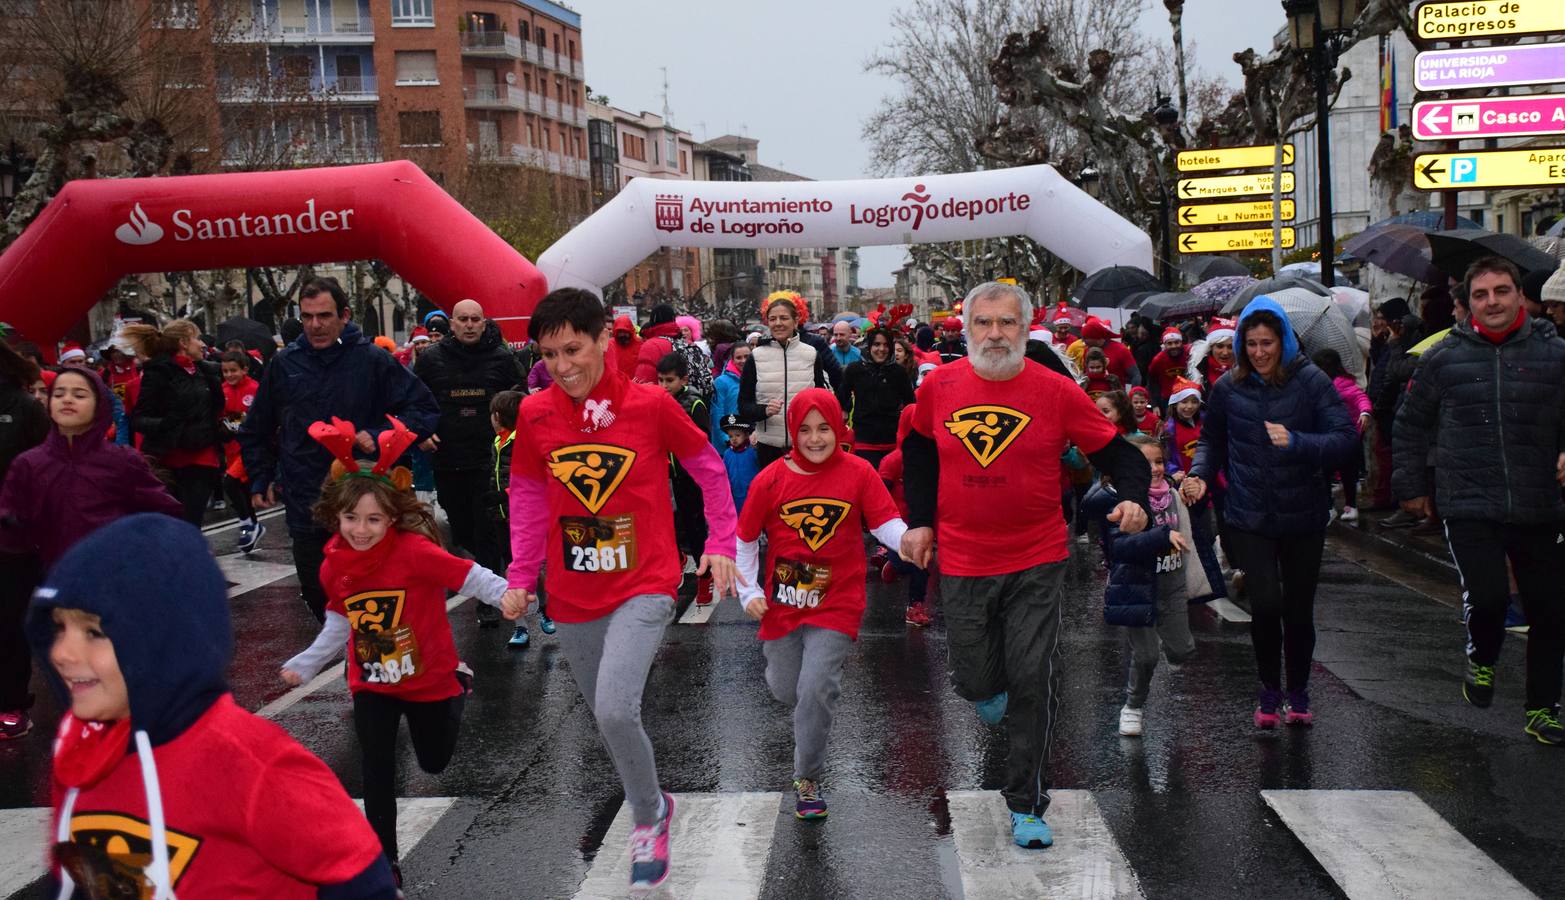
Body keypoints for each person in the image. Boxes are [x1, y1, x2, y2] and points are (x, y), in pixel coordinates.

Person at [498, 288, 739, 891]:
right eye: (549, 354)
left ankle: (649, 817)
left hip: (647, 581)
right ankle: (654, 798)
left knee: (613, 706)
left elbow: (707, 468)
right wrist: (522, 576)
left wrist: (722, 544)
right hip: (573, 590)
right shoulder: (534, 414)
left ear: (605, 339)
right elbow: (526, 495)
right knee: (604, 718)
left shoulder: (651, 405)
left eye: (573, 349)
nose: (562, 365)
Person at [900, 281, 1150, 850]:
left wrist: (1132, 497)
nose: (994, 334)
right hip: (962, 557)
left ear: (1024, 329)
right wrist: (919, 519)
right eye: (983, 323)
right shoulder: (939, 388)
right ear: (966, 331)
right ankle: (992, 697)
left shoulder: (1054, 391)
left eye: (1006, 323)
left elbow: (1118, 451)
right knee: (974, 680)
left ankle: (1026, 803)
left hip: (1037, 557)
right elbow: (917, 448)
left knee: (1032, 678)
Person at [30, 514, 397, 898]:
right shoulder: (78, 745)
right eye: (57, 628)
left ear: (167, 638)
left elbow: (360, 877)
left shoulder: (250, 760)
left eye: (93, 632)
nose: (63, 653)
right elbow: (74, 877)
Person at [280, 418, 507, 885]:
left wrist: (508, 595)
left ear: (392, 518)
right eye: (351, 519)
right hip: (371, 680)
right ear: (334, 515)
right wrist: (306, 663)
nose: (360, 531)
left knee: (433, 762)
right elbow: (340, 623)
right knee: (376, 768)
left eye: (373, 520)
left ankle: (459, 687)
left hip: (428, 680)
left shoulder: (414, 552)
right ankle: (387, 865)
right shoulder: (333, 567)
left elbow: (469, 575)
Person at [1393, 257, 1565, 746]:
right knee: (1489, 597)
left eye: (1502, 291)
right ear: (1468, 303)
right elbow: (1409, 424)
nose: (1493, 302)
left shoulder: (1555, 355)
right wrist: (1411, 488)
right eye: (1482, 294)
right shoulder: (1444, 358)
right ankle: (1483, 656)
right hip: (1468, 501)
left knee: (1550, 612)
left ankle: (1541, 710)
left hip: (1541, 503)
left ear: (1518, 297)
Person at [735, 388, 911, 819]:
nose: (816, 439)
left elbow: (885, 521)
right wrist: (749, 593)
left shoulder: (858, 473)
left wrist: (908, 540)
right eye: (807, 430)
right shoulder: (770, 479)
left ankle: (807, 777)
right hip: (784, 603)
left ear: (838, 429)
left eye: (825, 429)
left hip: (839, 599)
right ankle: (808, 705)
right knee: (786, 687)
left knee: (815, 688)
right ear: (793, 432)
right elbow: (743, 540)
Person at [1184, 296, 1355, 729]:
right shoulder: (1228, 387)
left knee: (1298, 609)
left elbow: (1344, 439)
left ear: (1284, 344)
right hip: (1247, 513)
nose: (1259, 353)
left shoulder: (1312, 381)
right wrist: (1201, 475)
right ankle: (1268, 689)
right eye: (1251, 344)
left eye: (1267, 343)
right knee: (1266, 603)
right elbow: (1211, 442)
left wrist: (1297, 441)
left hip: (1303, 514)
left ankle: (1297, 690)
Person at [239, 277, 440, 623]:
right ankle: (350, 646)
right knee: (318, 590)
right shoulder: (285, 364)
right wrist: (260, 478)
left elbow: (424, 410)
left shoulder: (373, 360)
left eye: (324, 316)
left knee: (372, 598)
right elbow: (256, 428)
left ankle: (363, 662)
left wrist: (376, 436)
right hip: (307, 498)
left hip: (365, 498)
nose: (315, 325)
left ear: (344, 315)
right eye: (307, 317)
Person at [413, 299, 526, 629]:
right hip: (448, 456)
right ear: (452, 324)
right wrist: (421, 431)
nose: (469, 325)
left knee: (485, 524)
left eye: (476, 319)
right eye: (463, 319)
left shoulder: (501, 357)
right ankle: (495, 562)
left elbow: (521, 398)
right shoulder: (432, 359)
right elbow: (413, 398)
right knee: (460, 529)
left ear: (483, 321)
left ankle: (489, 598)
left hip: (487, 459)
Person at [1084, 432, 1206, 737]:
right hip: (1136, 588)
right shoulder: (1119, 502)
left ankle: (1167, 644)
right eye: (1145, 463)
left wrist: (1194, 490)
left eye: (1159, 461)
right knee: (1147, 655)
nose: (1155, 468)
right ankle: (1133, 706)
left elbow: (1195, 529)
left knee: (1183, 651)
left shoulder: (1174, 496)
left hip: (1173, 585)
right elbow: (1121, 548)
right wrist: (1162, 536)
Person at [0, 367, 181, 571]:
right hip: (58, 581)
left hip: (118, 578)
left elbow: (164, 512)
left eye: (79, 395)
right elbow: (12, 529)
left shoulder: (122, 460)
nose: (67, 400)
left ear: (99, 405)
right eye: (58, 394)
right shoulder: (28, 464)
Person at [118, 319, 225, 526]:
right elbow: (138, 419)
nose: (202, 344)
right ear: (184, 343)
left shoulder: (206, 371)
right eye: (197, 338)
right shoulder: (158, 373)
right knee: (175, 522)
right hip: (170, 460)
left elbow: (215, 410)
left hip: (203, 458)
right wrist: (167, 424)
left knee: (191, 521)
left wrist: (225, 427)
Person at [0, 339, 48, 741]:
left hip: (13, 536)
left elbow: (43, 465)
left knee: (10, 621)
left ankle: (11, 703)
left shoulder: (23, 407)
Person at [740, 291, 844, 469]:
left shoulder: (811, 354)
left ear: (796, 321)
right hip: (768, 447)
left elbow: (821, 398)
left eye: (783, 318)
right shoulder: (755, 357)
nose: (778, 323)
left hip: (806, 444)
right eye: (772, 319)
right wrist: (763, 410)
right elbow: (743, 405)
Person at [658, 352, 715, 605]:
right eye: (660, 380)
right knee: (664, 526)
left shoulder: (694, 404)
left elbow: (702, 443)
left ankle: (706, 577)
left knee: (695, 529)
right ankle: (678, 559)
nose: (664, 386)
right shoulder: (658, 402)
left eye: (669, 380)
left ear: (684, 379)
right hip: (664, 475)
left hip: (690, 477)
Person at [878, 404, 933, 626]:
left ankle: (915, 605)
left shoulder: (933, 458)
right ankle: (892, 564)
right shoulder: (894, 459)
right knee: (902, 561)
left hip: (922, 522)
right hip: (897, 526)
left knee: (921, 564)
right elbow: (880, 491)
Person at [839, 326, 916, 472]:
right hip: (863, 440)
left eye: (886, 345)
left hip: (892, 441)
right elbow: (842, 396)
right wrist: (844, 411)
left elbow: (910, 404)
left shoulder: (899, 372)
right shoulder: (855, 369)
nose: (881, 349)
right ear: (869, 346)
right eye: (877, 344)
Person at [1312, 348, 1372, 523]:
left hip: (1344, 437)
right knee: (1333, 474)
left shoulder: (1342, 385)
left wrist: (1365, 412)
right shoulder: (1323, 384)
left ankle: (1343, 507)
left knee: (1343, 474)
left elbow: (1361, 398)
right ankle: (1337, 507)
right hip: (1335, 437)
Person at [218, 351, 264, 553]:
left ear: (244, 369)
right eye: (225, 371)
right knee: (241, 489)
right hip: (231, 448)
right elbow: (221, 418)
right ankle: (253, 527)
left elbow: (263, 416)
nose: (229, 375)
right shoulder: (222, 390)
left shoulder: (255, 389)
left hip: (250, 448)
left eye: (233, 370)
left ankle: (246, 523)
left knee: (229, 482)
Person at [721, 414, 760, 522]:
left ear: (746, 434)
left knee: (755, 520)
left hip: (753, 496)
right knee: (740, 520)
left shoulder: (753, 451)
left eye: (737, 435)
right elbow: (725, 475)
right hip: (736, 496)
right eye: (730, 436)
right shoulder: (727, 454)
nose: (733, 439)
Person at [711, 342, 751, 450]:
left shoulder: (757, 378)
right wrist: (726, 439)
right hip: (729, 443)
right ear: (732, 360)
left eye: (747, 356)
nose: (743, 360)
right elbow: (717, 412)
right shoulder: (721, 382)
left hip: (750, 441)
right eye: (739, 357)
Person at [1146, 327, 1188, 403]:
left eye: (1176, 342)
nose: (1174, 346)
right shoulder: (1158, 360)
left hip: (1188, 396)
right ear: (1164, 344)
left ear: (1181, 342)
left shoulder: (1190, 353)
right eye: (1169, 343)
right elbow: (1152, 382)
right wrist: (1155, 404)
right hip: (1168, 399)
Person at [612, 315, 643, 380]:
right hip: (616, 383)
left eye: (625, 331)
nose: (622, 334)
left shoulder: (640, 344)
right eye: (620, 331)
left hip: (635, 384)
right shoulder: (610, 345)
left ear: (630, 331)